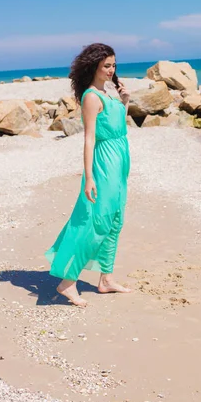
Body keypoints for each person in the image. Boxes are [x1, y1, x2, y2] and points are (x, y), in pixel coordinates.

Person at [45, 43, 132, 307]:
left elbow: (117, 126)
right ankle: (67, 282)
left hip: (120, 160)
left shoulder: (110, 93)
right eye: (106, 65)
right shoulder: (91, 97)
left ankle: (105, 279)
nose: (111, 70)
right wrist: (89, 176)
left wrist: (125, 101)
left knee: (116, 220)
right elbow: (90, 138)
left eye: (114, 65)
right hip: (104, 163)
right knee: (96, 223)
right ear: (93, 66)